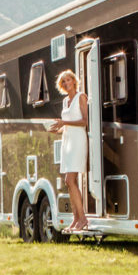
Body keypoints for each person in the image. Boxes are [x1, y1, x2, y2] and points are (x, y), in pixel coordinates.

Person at [49, 69, 89, 232]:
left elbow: (84, 121)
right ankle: (76, 218)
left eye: (68, 80)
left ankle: (83, 218)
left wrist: (64, 122)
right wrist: (57, 129)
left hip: (78, 140)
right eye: (63, 82)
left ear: (74, 81)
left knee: (69, 180)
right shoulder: (65, 101)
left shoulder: (81, 97)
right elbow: (67, 124)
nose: (66, 83)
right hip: (67, 140)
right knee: (68, 182)